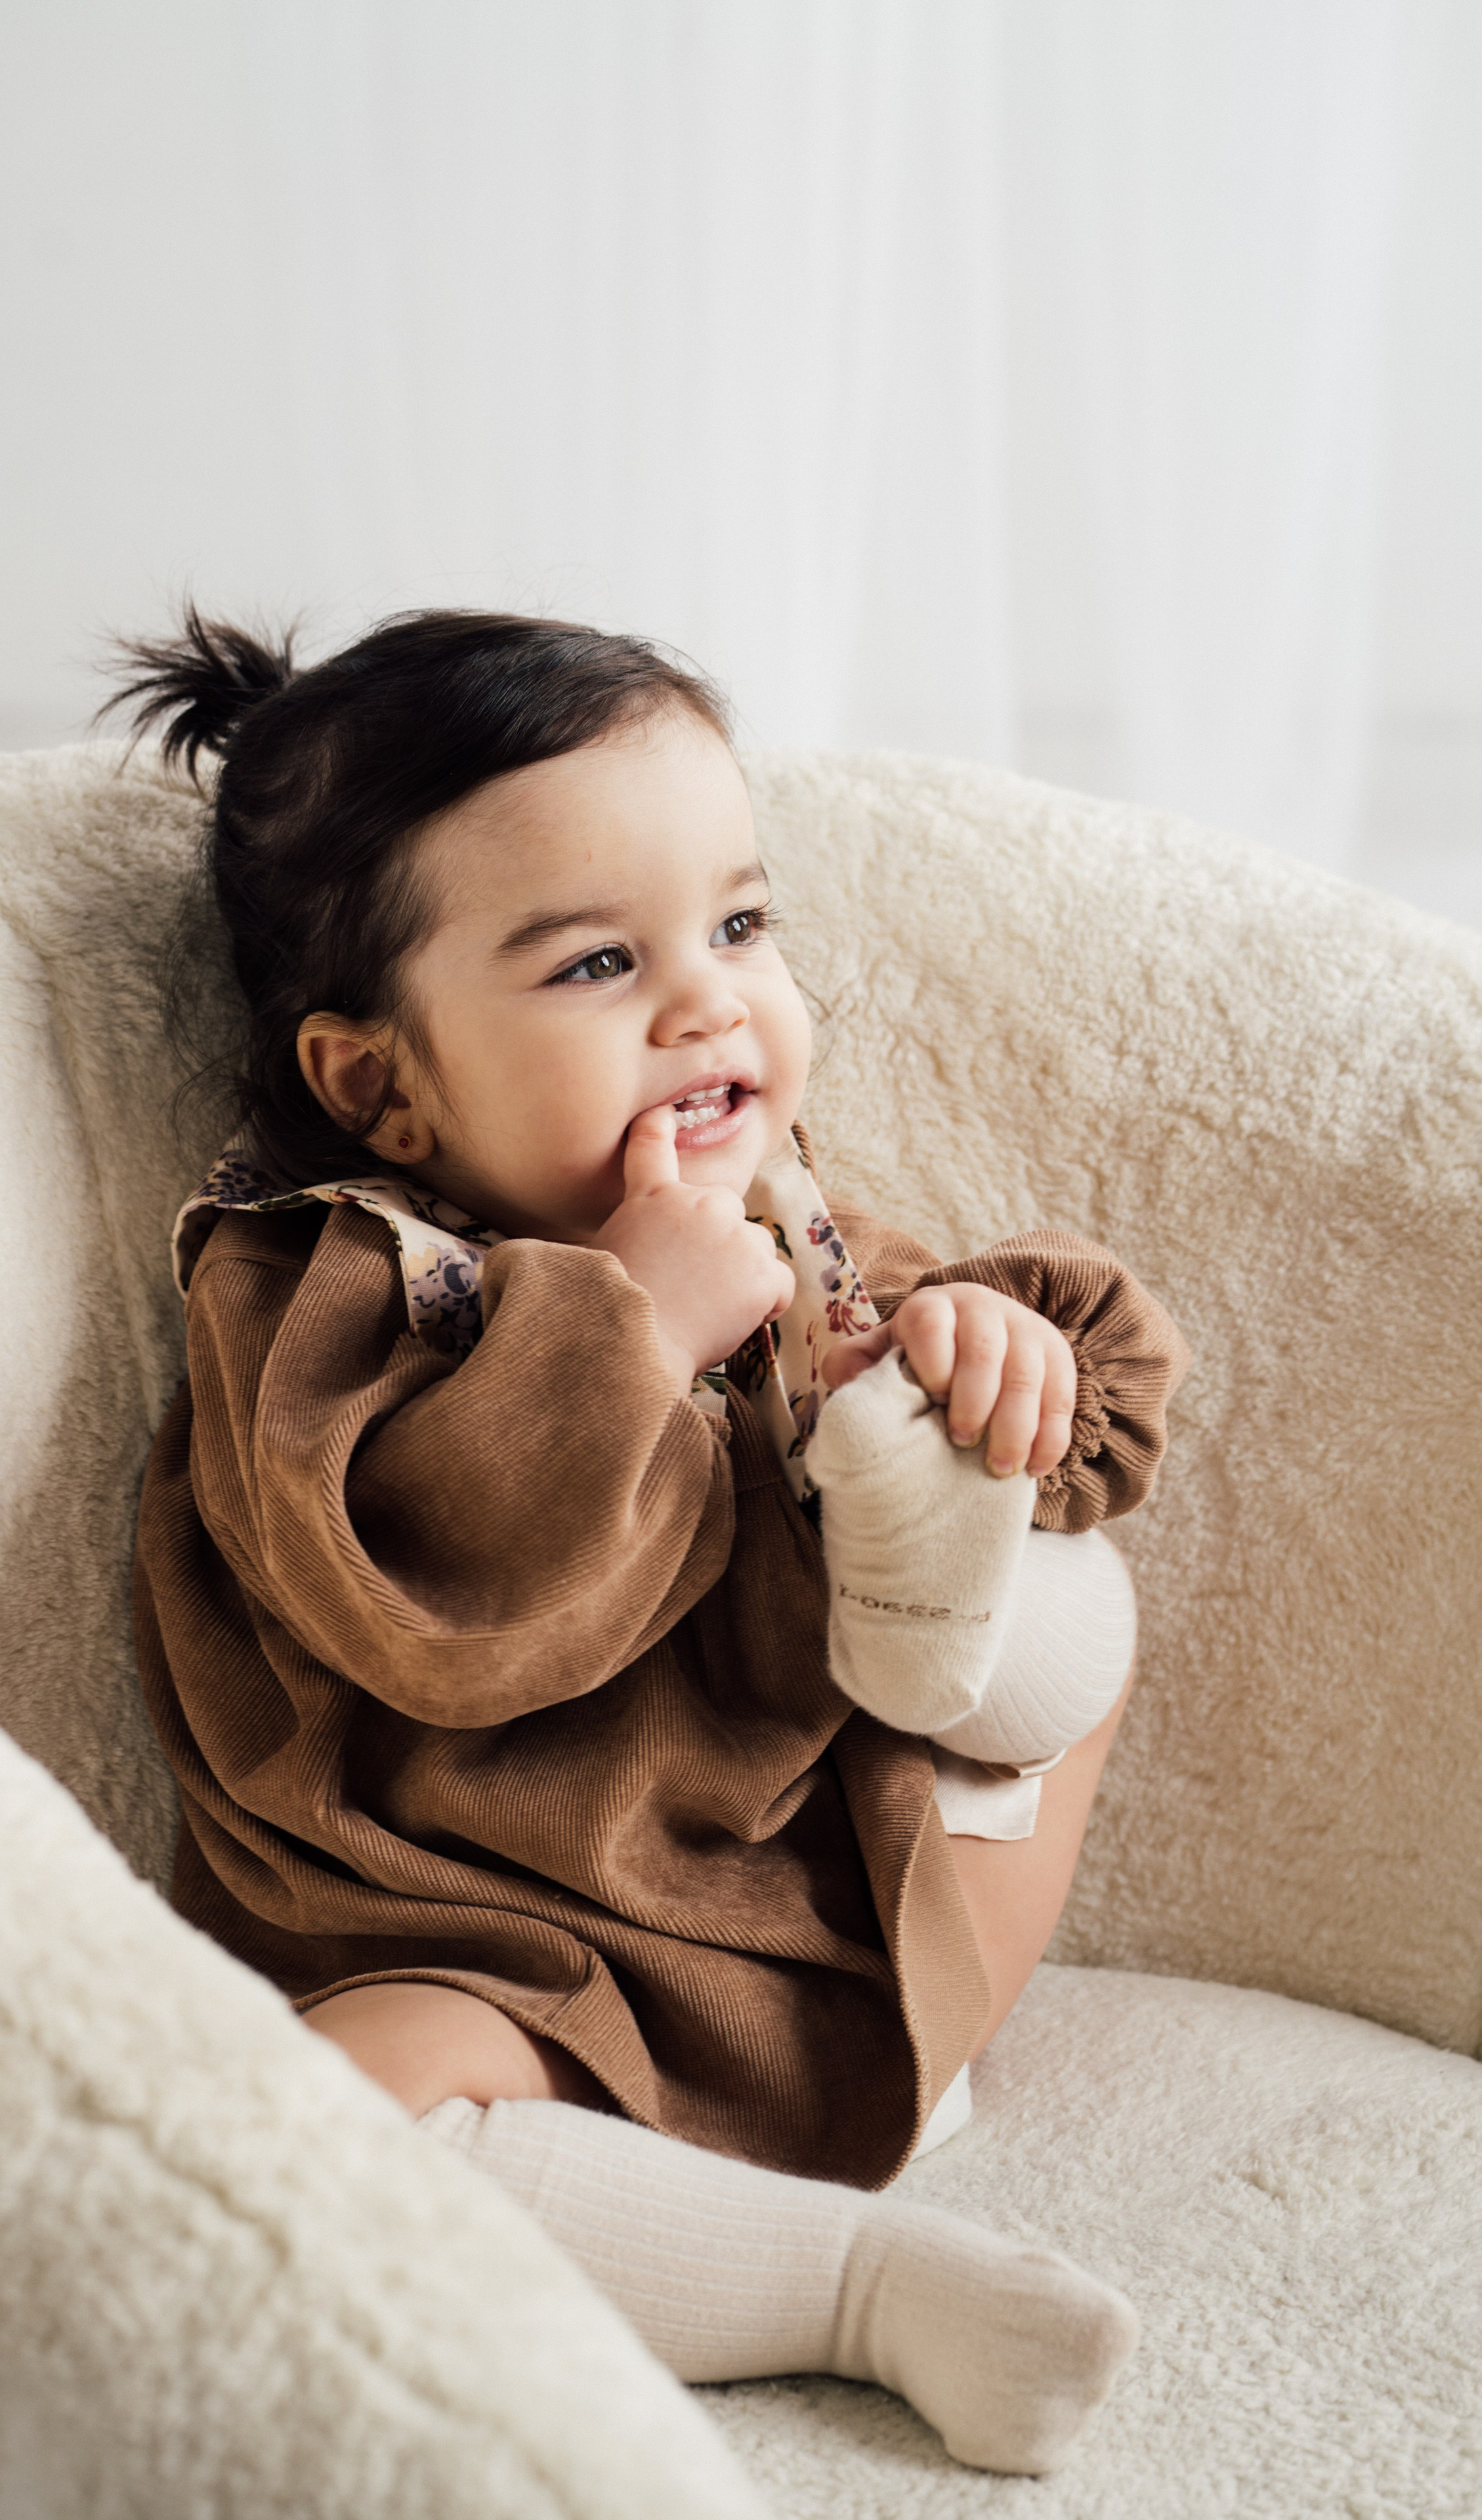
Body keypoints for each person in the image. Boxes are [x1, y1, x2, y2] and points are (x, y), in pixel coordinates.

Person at [120, 606, 1188, 2475]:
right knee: (310, 2120)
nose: (711, 1006)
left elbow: (1097, 1413)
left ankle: (915, 1562)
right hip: (515, 1963)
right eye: (603, 963)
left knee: (1054, 1576)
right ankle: (857, 2287)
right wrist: (624, 1323)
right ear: (379, 1081)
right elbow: (428, 1611)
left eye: (742, 927)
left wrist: (988, 1366)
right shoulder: (333, 1283)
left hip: (843, 1923)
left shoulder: (789, 1222)